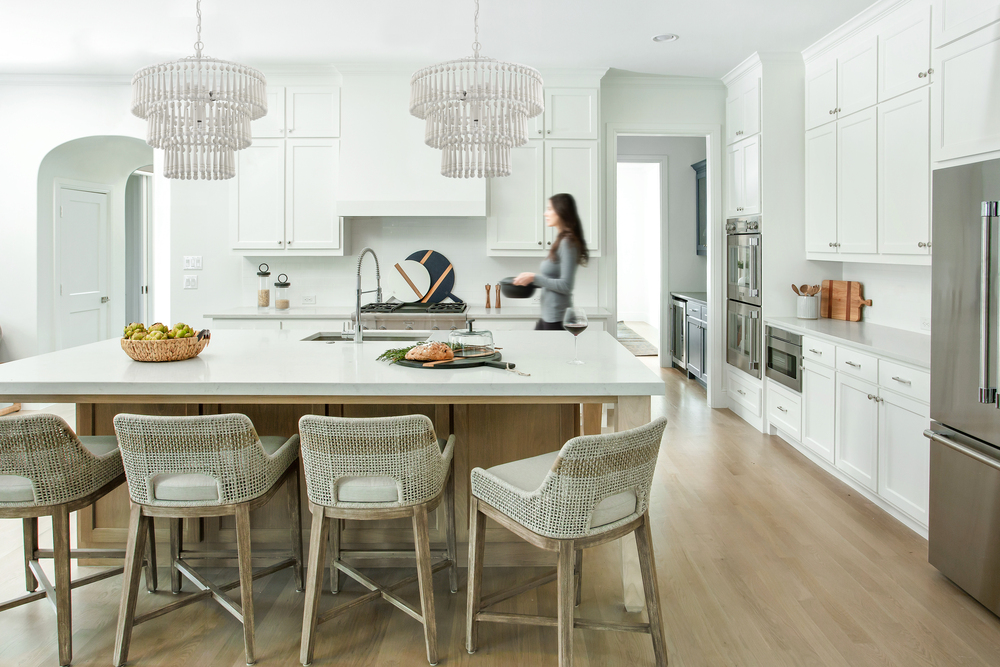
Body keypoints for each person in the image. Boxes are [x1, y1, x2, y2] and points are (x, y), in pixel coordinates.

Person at [513, 193, 590, 330]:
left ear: (561, 211)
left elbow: (566, 286)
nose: (545, 213)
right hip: (549, 316)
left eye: (549, 209)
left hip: (557, 319)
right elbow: (551, 281)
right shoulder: (561, 240)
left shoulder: (568, 242)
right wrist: (529, 280)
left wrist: (534, 278)